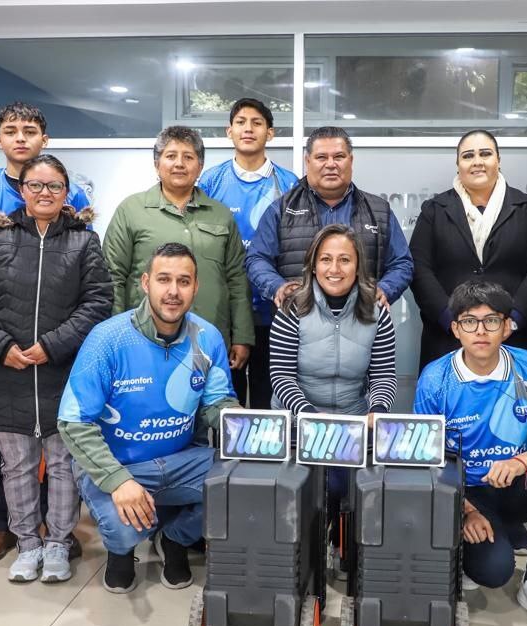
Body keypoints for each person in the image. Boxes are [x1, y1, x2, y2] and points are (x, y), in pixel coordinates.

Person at [0, 102, 90, 565]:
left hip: (54, 353)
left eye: (30, 130)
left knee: (58, 450)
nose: (21, 137)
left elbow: (87, 286)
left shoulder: (78, 213)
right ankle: (1, 528)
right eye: (11, 130)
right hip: (1, 349)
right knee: (4, 446)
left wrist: (53, 343)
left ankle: (56, 532)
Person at [0, 154, 112, 583]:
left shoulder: (84, 241)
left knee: (64, 464)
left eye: (54, 186)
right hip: (5, 373)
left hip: (64, 373)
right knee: (17, 465)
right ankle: (26, 544)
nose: (45, 193)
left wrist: (53, 345)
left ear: (67, 194)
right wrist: (0, 346)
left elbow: (98, 301)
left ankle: (59, 544)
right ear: (22, 190)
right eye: (36, 186)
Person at [58, 243, 240, 593]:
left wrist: (242, 421)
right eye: (164, 280)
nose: (173, 291)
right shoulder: (107, 340)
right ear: (145, 283)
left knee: (241, 485)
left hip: (182, 460)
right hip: (120, 465)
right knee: (123, 526)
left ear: (195, 287)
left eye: (184, 281)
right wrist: (117, 480)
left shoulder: (208, 337)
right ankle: (122, 552)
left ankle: (174, 539)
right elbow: (73, 421)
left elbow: (217, 404)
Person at [409, 129, 527, 555]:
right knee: (452, 434)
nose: (477, 161)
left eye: (485, 153)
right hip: (446, 338)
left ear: (498, 159)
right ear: (457, 163)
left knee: (513, 429)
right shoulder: (436, 209)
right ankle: (459, 512)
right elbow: (421, 269)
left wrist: (512, 320)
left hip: (509, 338)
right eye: (468, 154)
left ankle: (508, 517)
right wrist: (452, 321)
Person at [414, 280, 527, 626]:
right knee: (494, 571)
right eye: (470, 322)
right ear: (456, 329)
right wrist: (464, 511)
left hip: (516, 482)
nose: (481, 331)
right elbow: (427, 462)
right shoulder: (435, 379)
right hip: (469, 494)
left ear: (507, 327)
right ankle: (475, 545)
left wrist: (521, 462)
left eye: (491, 321)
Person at [268, 225, 397, 578]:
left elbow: (384, 375)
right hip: (300, 421)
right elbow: (280, 376)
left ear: (358, 266)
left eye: (344, 259)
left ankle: (344, 539)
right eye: (325, 259)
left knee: (354, 486)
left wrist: (378, 411)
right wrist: (309, 414)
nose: (334, 269)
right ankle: (311, 541)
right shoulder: (293, 306)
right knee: (305, 485)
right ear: (312, 265)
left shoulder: (376, 310)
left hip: (354, 424)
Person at [103, 125, 255, 387]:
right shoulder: (131, 210)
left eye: (188, 157)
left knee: (207, 413)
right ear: (157, 163)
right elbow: (112, 276)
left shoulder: (220, 215)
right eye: (171, 156)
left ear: (200, 165)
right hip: (143, 340)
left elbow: (237, 279)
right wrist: (117, 335)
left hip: (208, 340)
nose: (179, 164)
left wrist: (242, 336)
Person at [246, 126, 414, 313]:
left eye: (339, 157)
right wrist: (277, 287)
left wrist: (385, 289)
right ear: (307, 161)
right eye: (321, 157)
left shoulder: (379, 211)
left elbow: (402, 263)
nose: (331, 164)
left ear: (351, 161)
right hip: (298, 322)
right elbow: (257, 258)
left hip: (362, 320)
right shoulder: (282, 210)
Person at [198, 98, 299, 409]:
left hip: (277, 310)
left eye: (257, 123)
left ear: (270, 133)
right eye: (241, 122)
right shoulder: (211, 182)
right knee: (228, 400)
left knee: (271, 396)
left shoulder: (290, 183)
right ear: (230, 131)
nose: (248, 129)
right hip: (224, 312)